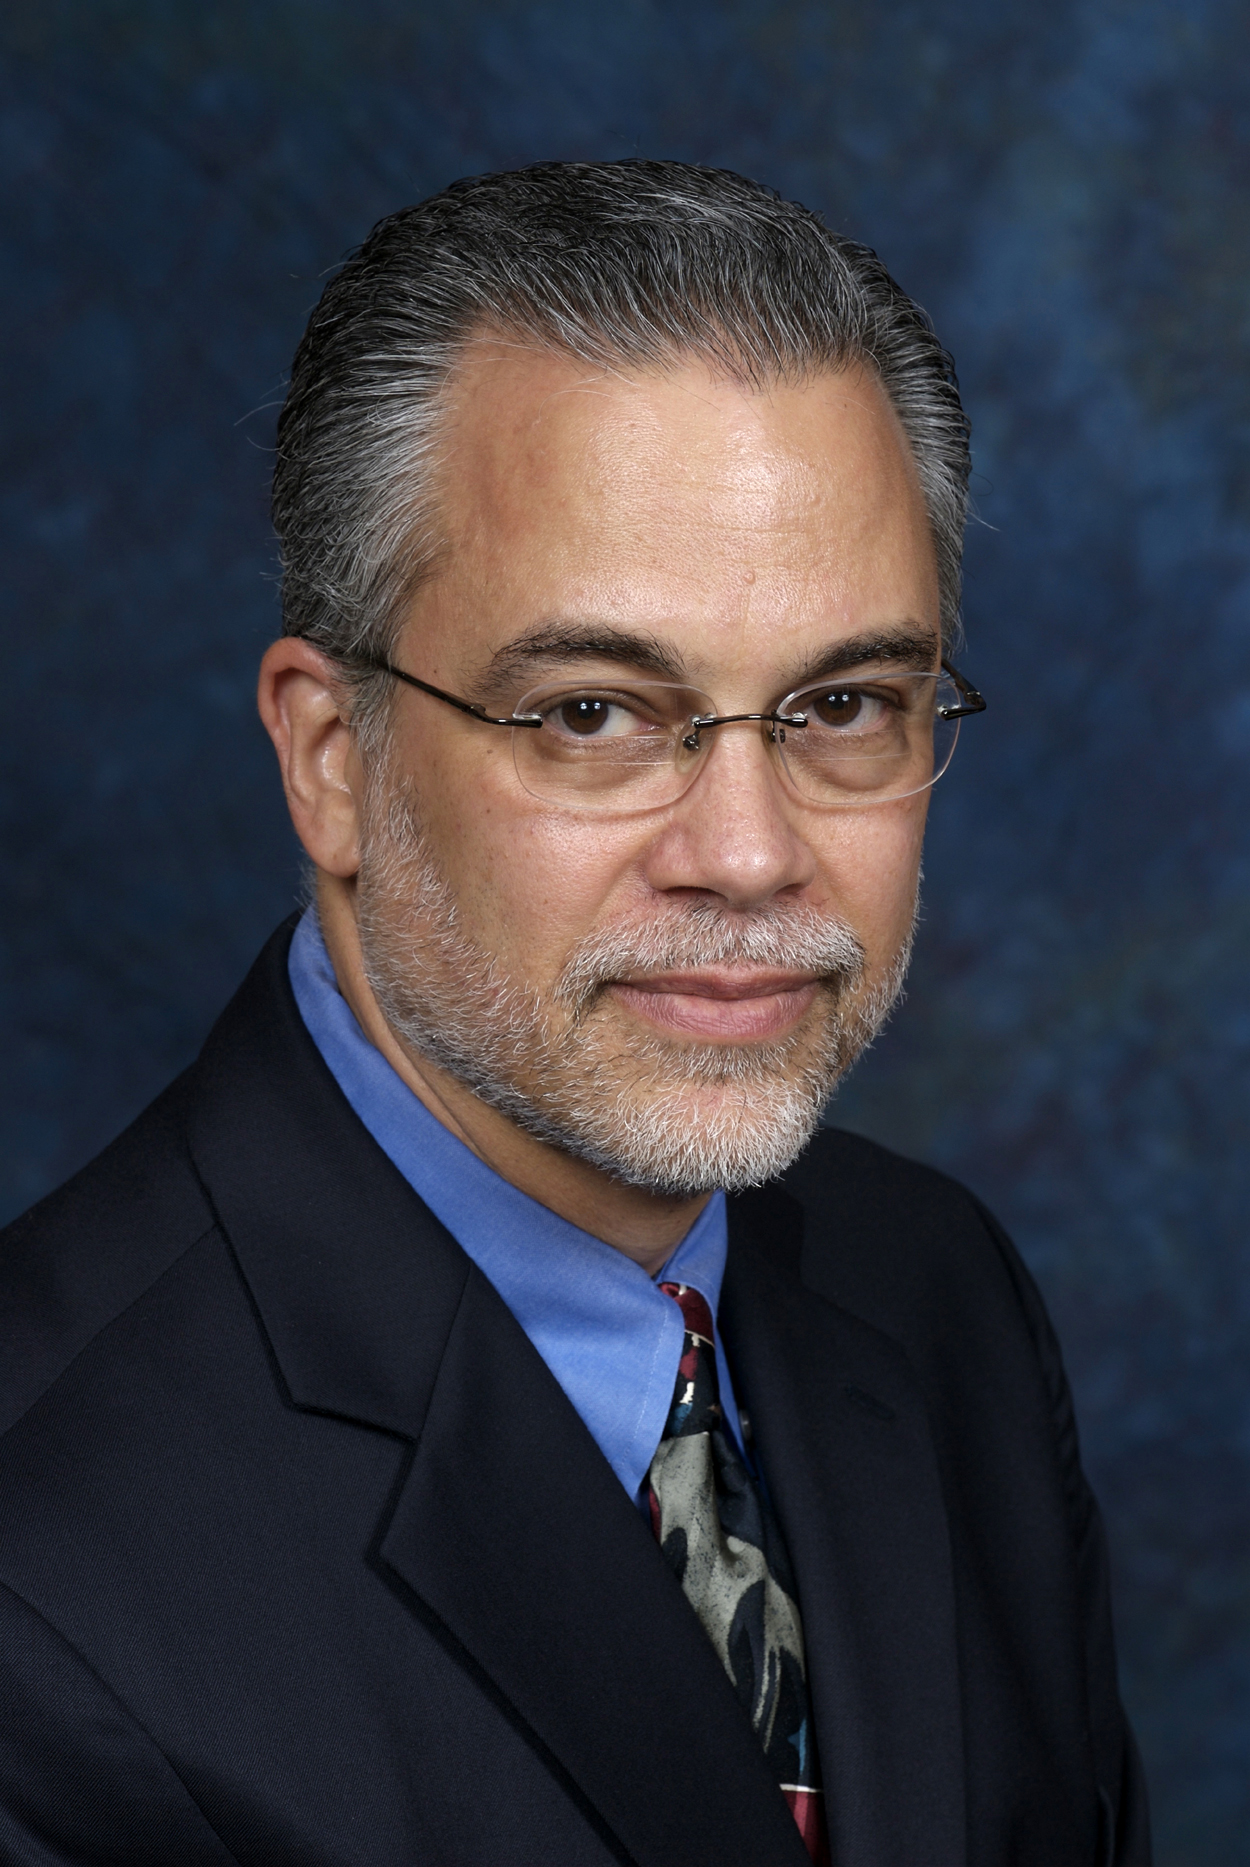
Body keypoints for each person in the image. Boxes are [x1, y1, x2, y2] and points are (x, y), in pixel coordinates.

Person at [0, 160, 1148, 1867]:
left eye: (843, 702)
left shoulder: (942, 1299)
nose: (750, 856)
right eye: (596, 714)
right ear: (332, 762)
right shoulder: (44, 1580)